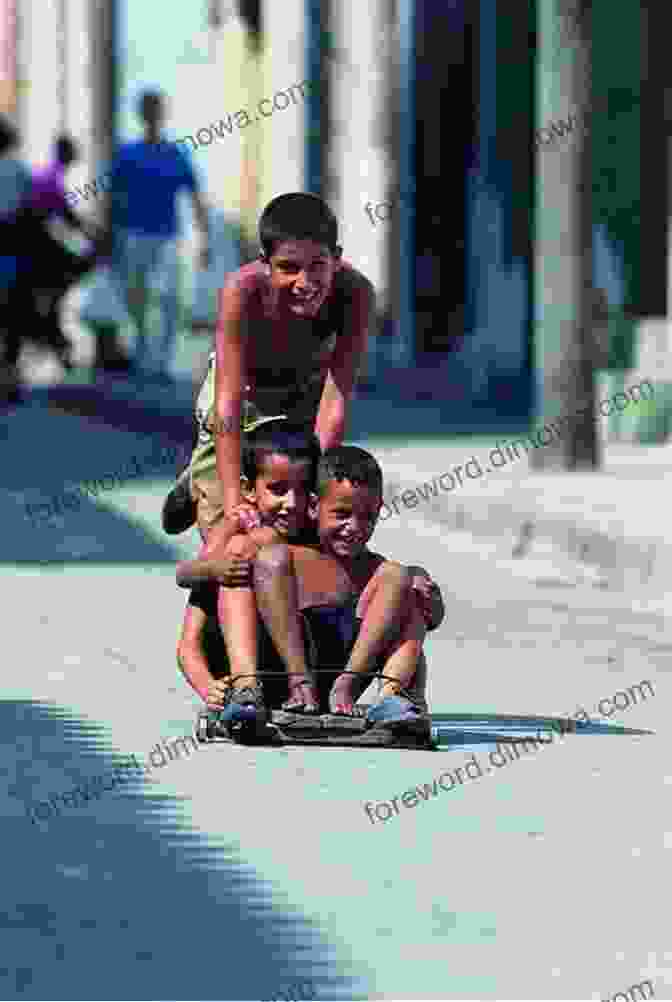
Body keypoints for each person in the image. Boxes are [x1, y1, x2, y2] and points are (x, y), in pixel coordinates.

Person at [165, 191, 375, 719]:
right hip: (241, 399)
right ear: (265, 264)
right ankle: (241, 675)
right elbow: (230, 404)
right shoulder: (242, 292)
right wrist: (236, 498)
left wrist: (315, 487)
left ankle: (291, 660)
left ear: (339, 257)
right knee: (236, 535)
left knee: (297, 524)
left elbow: (336, 396)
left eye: (317, 267)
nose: (304, 282)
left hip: (305, 394)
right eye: (288, 268)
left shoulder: (355, 295)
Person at [176, 432, 444, 729]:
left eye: (302, 490)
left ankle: (396, 697)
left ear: (314, 500)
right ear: (249, 490)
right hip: (263, 671)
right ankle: (246, 689)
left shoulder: (330, 548)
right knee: (250, 553)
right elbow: (189, 640)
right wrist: (208, 690)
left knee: (407, 580)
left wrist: (420, 586)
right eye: (278, 489)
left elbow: (406, 598)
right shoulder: (236, 546)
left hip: (329, 679)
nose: (292, 503)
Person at [105, 88, 210, 381]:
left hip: (167, 238)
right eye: (149, 109)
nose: (153, 115)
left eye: (157, 109)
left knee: (170, 298)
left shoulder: (176, 153)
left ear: (162, 114)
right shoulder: (127, 154)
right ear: (141, 114)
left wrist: (204, 238)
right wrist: (108, 238)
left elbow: (195, 196)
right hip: (133, 235)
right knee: (136, 297)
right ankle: (142, 353)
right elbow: (112, 199)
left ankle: (162, 360)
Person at [25, 133, 103, 370]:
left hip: (36, 243)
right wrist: (94, 236)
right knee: (62, 283)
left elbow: (65, 219)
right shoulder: (52, 178)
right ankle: (50, 334)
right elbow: (68, 218)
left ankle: (51, 333)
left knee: (55, 293)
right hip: (36, 245)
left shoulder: (48, 175)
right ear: (67, 155)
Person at [0, 116, 33, 402]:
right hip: (11, 247)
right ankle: (9, 375)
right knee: (11, 315)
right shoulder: (19, 170)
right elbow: (29, 212)